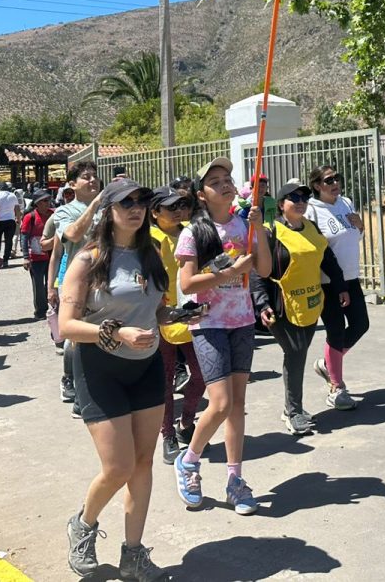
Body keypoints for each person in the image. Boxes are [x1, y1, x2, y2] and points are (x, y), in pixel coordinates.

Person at [59, 179, 172, 581]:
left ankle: (134, 554)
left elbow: (154, 308)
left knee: (142, 463)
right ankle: (83, 524)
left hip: (147, 366)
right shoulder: (88, 260)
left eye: (142, 201)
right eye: (126, 202)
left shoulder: (154, 252)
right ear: (108, 210)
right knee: (118, 466)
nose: (136, 208)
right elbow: (66, 326)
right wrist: (116, 332)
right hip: (99, 368)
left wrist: (173, 317)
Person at [173, 157, 271, 516]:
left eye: (227, 178)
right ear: (202, 194)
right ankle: (189, 460)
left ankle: (235, 479)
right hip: (209, 323)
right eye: (215, 181)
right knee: (220, 403)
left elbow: (263, 269)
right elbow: (186, 284)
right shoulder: (193, 233)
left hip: (242, 321)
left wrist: (258, 231)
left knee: (238, 405)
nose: (225, 184)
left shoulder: (245, 225)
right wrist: (229, 271)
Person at [255, 181, 348, 434]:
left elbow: (328, 260)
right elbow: (257, 271)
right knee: (295, 353)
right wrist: (261, 302)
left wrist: (340, 287)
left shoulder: (312, 228)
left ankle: (294, 407)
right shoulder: (269, 232)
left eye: (304, 198)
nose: (299, 201)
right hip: (281, 306)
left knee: (299, 354)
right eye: (293, 197)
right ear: (281, 204)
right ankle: (292, 411)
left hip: (310, 303)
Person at [148, 186, 206, 465]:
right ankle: (167, 435)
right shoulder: (148, 240)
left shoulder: (192, 232)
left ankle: (186, 422)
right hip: (158, 318)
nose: (178, 211)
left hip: (191, 314)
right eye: (171, 207)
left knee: (203, 374)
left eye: (182, 205)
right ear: (155, 212)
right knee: (165, 381)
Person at [305, 165, 369, 409]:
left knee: (361, 324)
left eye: (337, 178)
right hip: (327, 280)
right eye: (328, 180)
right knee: (336, 330)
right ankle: (336, 387)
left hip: (351, 277)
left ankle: (329, 364)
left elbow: (354, 236)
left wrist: (361, 226)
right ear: (317, 185)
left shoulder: (346, 203)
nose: (335, 183)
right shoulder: (312, 210)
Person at [51, 160, 103, 417]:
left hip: (102, 281)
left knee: (99, 336)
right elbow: (71, 235)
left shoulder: (109, 210)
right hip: (76, 283)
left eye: (94, 176)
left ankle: (91, 389)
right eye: (86, 177)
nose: (92, 180)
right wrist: (93, 206)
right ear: (72, 184)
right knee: (77, 339)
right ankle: (71, 384)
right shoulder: (64, 212)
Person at [21, 192, 55, 319]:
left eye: (48, 200)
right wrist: (25, 257)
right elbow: (24, 237)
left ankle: (53, 307)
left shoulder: (53, 214)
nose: (48, 203)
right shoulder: (30, 217)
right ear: (38, 203)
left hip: (52, 255)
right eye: (45, 200)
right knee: (38, 285)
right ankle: (40, 311)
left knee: (52, 283)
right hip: (36, 257)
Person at [0, 182, 21, 267]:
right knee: (9, 241)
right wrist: (18, 218)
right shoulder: (12, 195)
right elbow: (17, 208)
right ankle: (5, 260)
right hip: (10, 220)